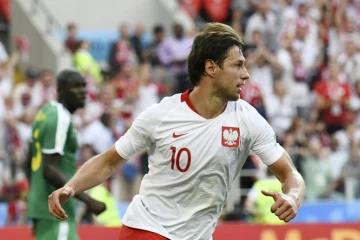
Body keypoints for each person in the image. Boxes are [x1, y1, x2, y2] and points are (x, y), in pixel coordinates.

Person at [48, 23, 305, 240]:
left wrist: (293, 196)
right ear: (211, 68)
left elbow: (289, 173)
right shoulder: (161, 115)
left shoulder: (248, 120)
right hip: (147, 230)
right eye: (237, 65)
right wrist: (71, 187)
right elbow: (108, 161)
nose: (246, 74)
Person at [27, 70, 106, 240]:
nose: (83, 91)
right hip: (56, 213)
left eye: (84, 86)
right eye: (76, 87)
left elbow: (30, 160)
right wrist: (88, 200)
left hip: (42, 208)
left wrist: (34, 201)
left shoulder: (44, 112)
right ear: (61, 90)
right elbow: (49, 169)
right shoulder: (60, 117)